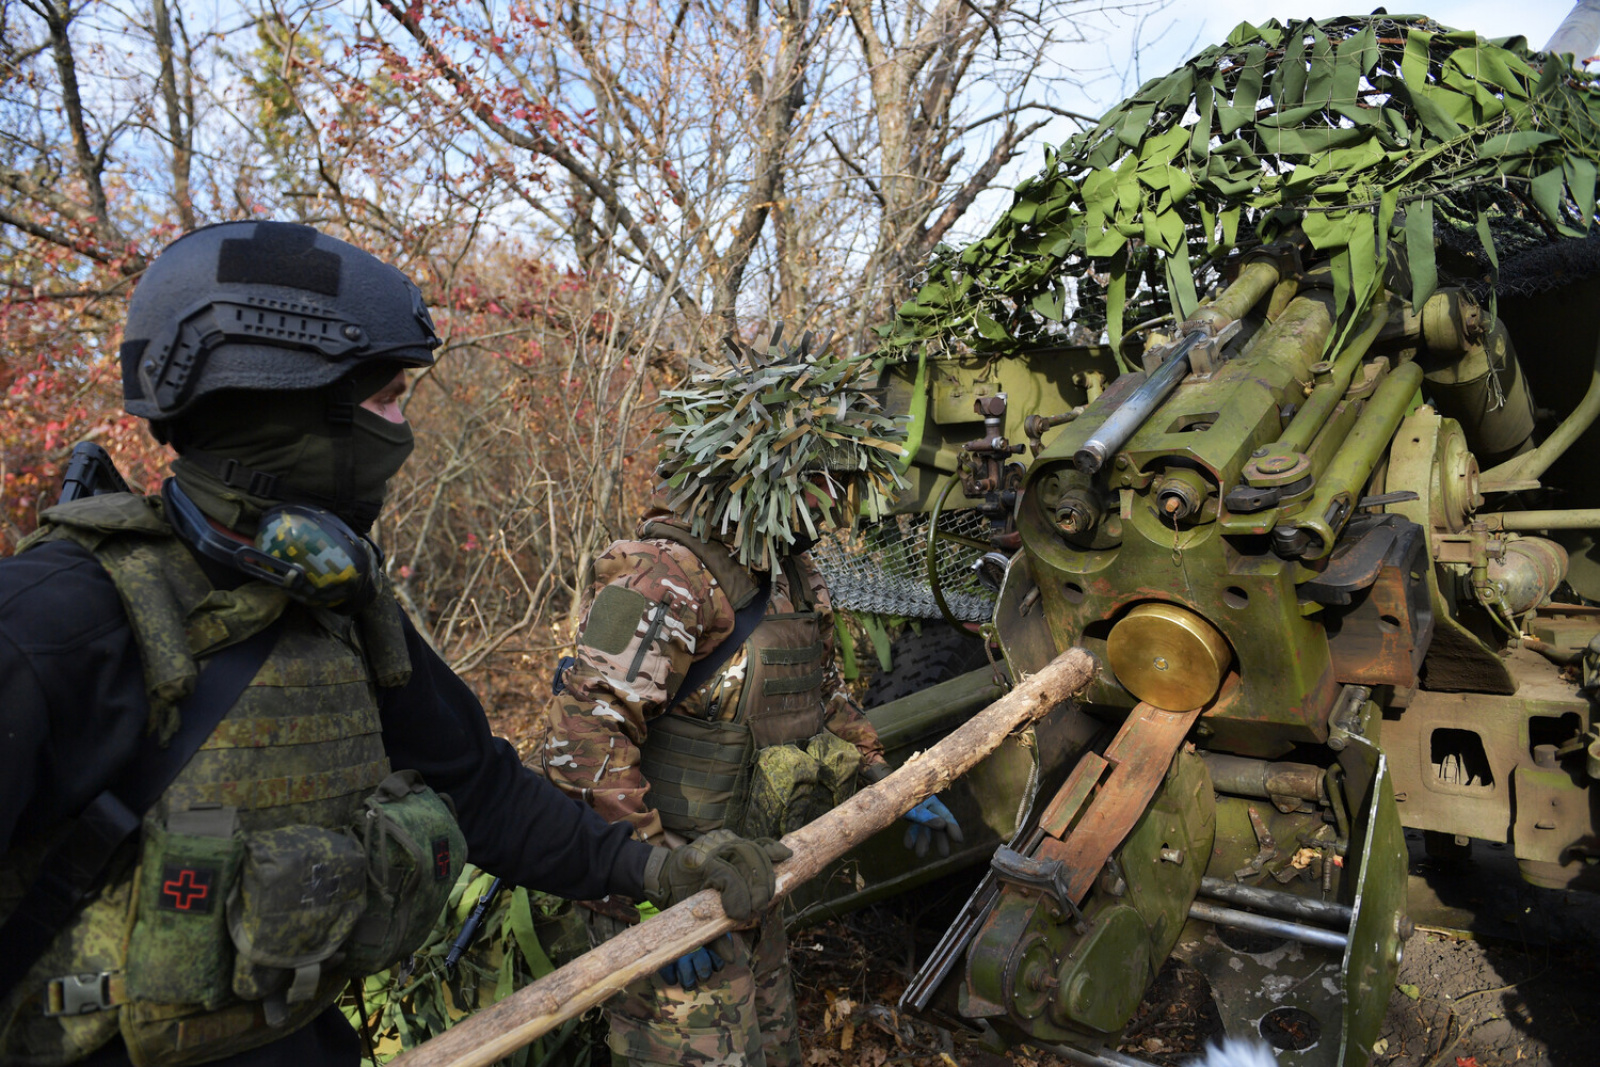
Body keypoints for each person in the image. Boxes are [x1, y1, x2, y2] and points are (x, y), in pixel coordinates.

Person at [0, 221, 786, 1067]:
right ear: (286, 404)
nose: (403, 431)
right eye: (385, 401)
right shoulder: (54, 624)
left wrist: (652, 872)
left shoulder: (345, 612)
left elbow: (482, 792)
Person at [543, 328, 963, 1067]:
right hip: (664, 889)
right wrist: (651, 911)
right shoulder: (662, 581)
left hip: (747, 883)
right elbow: (583, 749)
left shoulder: (793, 576)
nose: (833, 504)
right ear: (759, 468)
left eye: (841, 483)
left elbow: (826, 696)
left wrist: (884, 781)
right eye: (820, 480)